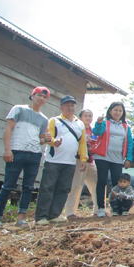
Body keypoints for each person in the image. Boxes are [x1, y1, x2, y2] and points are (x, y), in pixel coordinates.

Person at [0, 87, 50, 229]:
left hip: (34, 154)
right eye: (39, 95)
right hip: (16, 151)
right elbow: (8, 128)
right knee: (8, 186)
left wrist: (46, 139)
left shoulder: (44, 119)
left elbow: (40, 140)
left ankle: (21, 219)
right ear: (32, 95)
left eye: (44, 97)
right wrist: (7, 149)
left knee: (28, 187)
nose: (41, 99)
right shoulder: (18, 109)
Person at [35, 95, 88, 225]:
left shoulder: (80, 123)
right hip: (53, 160)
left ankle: (54, 214)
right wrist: (54, 142)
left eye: (72, 105)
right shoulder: (54, 120)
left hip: (69, 161)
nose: (70, 108)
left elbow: (82, 142)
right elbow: (49, 137)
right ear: (61, 107)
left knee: (63, 188)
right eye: (67, 105)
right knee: (47, 187)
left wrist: (83, 158)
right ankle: (41, 216)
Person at [92, 102, 133, 218]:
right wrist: (99, 123)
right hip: (102, 157)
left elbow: (130, 143)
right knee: (102, 181)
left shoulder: (125, 127)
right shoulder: (105, 123)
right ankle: (100, 207)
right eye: (115, 110)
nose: (118, 112)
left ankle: (116, 207)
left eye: (120, 111)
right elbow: (97, 132)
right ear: (110, 111)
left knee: (117, 183)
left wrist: (128, 158)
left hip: (118, 159)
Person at [64, 109, 99, 219]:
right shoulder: (78, 128)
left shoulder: (93, 131)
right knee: (76, 186)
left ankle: (98, 209)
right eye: (86, 116)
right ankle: (70, 212)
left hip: (91, 160)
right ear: (80, 118)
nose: (88, 118)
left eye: (90, 116)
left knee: (96, 184)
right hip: (79, 160)